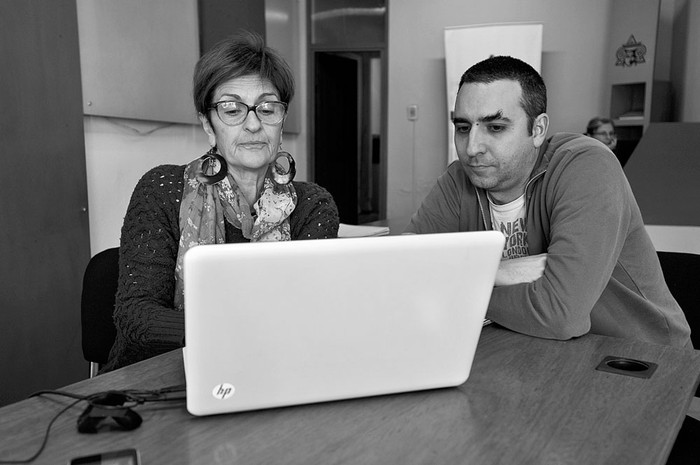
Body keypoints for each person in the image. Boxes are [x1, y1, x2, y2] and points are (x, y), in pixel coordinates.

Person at [405, 56, 691, 348]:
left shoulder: (587, 166)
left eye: (495, 127)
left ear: (538, 129)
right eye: (463, 127)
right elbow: (402, 272)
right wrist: (505, 273)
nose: (472, 148)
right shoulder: (460, 178)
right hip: (535, 346)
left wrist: (464, 283)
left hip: (640, 355)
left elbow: (560, 313)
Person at [103, 32, 340, 371]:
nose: (254, 124)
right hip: (155, 377)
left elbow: (306, 314)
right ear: (208, 124)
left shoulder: (312, 206)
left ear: (282, 121)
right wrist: (234, 332)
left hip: (270, 371)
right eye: (232, 110)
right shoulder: (162, 189)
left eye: (268, 108)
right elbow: (137, 316)